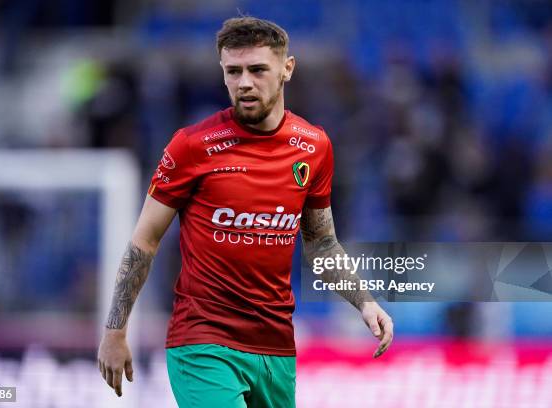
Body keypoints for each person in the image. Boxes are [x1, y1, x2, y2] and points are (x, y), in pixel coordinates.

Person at [97, 16, 393, 407]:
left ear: (287, 69)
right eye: (233, 72)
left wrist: (365, 301)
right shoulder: (192, 147)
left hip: (275, 348)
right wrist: (115, 330)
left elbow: (321, 243)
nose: (244, 83)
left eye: (257, 70)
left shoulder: (314, 147)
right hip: (203, 342)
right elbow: (145, 240)